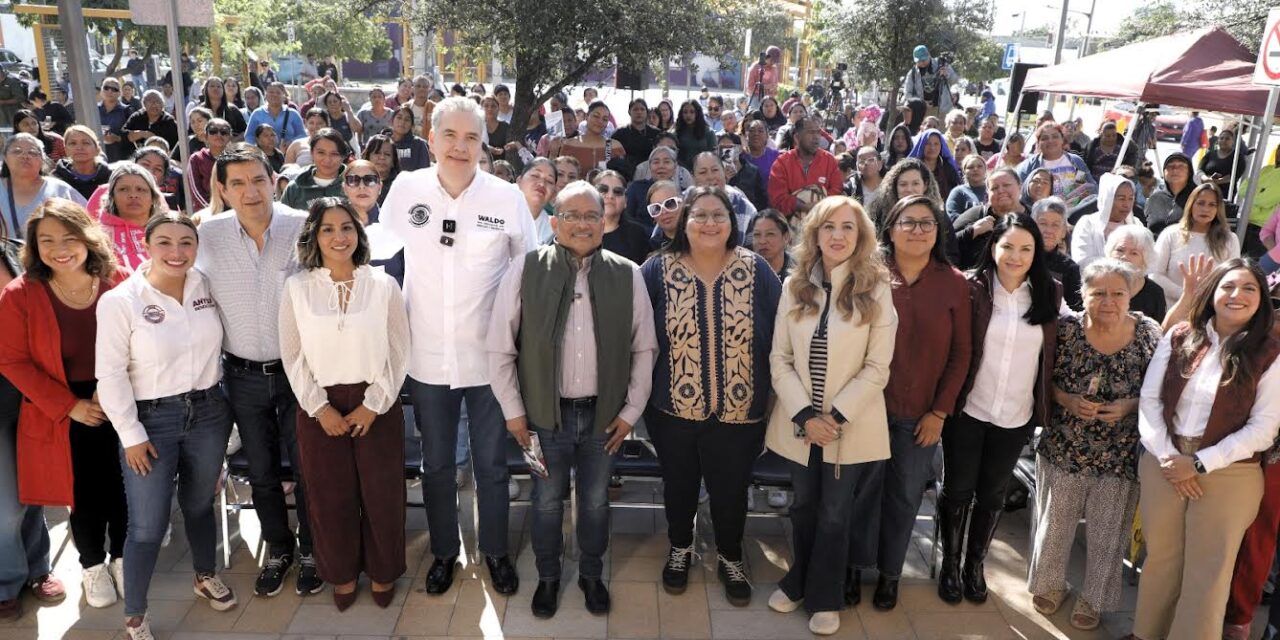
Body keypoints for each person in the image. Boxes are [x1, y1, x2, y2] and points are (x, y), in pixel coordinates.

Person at [381, 97, 536, 597]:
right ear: (432, 140)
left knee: (491, 465)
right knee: (438, 464)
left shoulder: (506, 198)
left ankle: (494, 550)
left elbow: (526, 273)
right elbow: (379, 258)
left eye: (471, 137)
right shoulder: (406, 189)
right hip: (426, 356)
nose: (460, 146)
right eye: (451, 136)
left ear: (482, 144)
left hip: (489, 359)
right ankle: (446, 551)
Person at [487, 180, 656, 618]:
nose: (581, 224)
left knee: (596, 501)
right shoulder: (526, 269)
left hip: (605, 418)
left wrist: (631, 410)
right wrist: (514, 413)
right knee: (545, 502)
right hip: (545, 418)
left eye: (590, 216)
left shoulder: (627, 273)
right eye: (572, 215)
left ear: (604, 221)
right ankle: (547, 577)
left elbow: (644, 348)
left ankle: (591, 575)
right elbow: (500, 346)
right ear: (555, 221)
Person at [95, 212, 238, 639]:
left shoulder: (205, 287)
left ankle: (203, 575)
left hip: (209, 412)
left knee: (198, 504)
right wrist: (131, 435)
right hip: (150, 420)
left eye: (186, 243)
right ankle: (135, 615)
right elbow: (111, 374)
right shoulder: (122, 301)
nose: (176, 252)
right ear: (146, 244)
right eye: (165, 242)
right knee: (147, 525)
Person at [641, 186, 782, 606]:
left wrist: (775, 399)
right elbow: (638, 339)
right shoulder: (656, 270)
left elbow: (780, 338)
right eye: (699, 215)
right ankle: (680, 548)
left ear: (731, 222)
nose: (708, 223)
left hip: (742, 409)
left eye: (718, 215)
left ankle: (730, 556)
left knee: (730, 490)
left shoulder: (756, 270)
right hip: (673, 408)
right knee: (679, 486)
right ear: (684, 223)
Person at [764, 195, 895, 635]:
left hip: (848, 426)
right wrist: (806, 416)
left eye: (847, 228)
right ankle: (799, 580)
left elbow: (878, 368)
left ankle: (824, 596)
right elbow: (779, 360)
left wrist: (833, 418)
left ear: (861, 237)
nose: (837, 236)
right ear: (814, 235)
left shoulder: (876, 288)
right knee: (803, 507)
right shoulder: (793, 285)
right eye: (828, 227)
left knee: (836, 513)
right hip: (802, 424)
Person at [1129, 259, 1280, 640]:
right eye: (1228, 285)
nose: (1237, 295)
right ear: (1212, 291)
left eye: (1249, 288)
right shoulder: (1181, 334)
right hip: (1165, 460)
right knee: (1162, 560)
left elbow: (1264, 428)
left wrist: (1198, 463)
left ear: (1262, 300)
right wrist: (1167, 456)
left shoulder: (1271, 354)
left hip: (1229, 473)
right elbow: (1149, 400)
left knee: (1207, 573)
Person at [196, 145, 321, 598]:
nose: (251, 191)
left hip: (299, 373)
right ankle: (279, 548)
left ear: (274, 180)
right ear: (223, 190)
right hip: (242, 375)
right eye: (238, 183)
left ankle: (312, 549)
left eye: (258, 179)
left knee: (308, 467)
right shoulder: (205, 234)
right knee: (263, 472)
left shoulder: (304, 225)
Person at [277, 197, 409, 611]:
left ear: (359, 233)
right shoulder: (297, 288)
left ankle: (384, 570)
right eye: (328, 229)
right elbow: (292, 354)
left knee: (382, 493)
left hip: (377, 402)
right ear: (314, 236)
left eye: (347, 227)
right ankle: (342, 572)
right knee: (330, 496)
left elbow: (398, 349)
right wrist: (320, 409)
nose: (339, 236)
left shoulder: (384, 284)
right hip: (320, 406)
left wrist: (374, 404)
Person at [0, 198, 127, 610]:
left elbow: (142, 340)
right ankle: (92, 565)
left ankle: (125, 558)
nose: (59, 248)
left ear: (88, 237)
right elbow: (11, 360)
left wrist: (110, 391)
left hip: (120, 397)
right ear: (34, 247)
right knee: (84, 492)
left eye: (69, 237)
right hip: (64, 408)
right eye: (46, 240)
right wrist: (69, 405)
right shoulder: (20, 295)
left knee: (126, 487)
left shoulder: (118, 279)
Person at [847, 195, 970, 611]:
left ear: (938, 232)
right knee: (862, 493)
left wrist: (939, 412)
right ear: (891, 228)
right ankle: (853, 567)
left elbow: (962, 354)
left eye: (927, 223)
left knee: (903, 497)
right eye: (908, 222)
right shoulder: (870, 274)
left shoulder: (954, 282)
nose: (918, 230)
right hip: (868, 409)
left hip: (921, 415)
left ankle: (890, 575)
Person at [1026, 258, 1159, 630]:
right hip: (1065, 445)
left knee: (1107, 531)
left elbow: (1161, 390)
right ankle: (1050, 585)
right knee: (1056, 525)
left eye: (1117, 293)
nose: (1108, 301)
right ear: (1082, 294)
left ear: (1131, 293)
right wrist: (1067, 400)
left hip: (1119, 452)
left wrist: (1130, 407)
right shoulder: (1065, 330)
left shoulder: (1149, 332)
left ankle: (1094, 598)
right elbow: (1041, 380)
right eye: (1098, 292)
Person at [938, 214, 1061, 605]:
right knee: (958, 489)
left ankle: (975, 566)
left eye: (1026, 248)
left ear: (1036, 253)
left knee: (992, 496)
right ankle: (950, 565)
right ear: (993, 248)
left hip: (1015, 415)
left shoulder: (1049, 293)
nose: (1016, 255)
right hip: (968, 409)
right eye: (1008, 246)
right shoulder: (971, 288)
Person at [0, 186, 66, 622]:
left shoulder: (18, 255)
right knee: (5, 499)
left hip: (28, 386)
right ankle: (8, 578)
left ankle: (37, 567)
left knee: (32, 483)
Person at [1148, 183, 1240, 310]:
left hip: (1210, 311)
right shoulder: (1171, 234)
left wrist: (1206, 298)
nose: (1205, 209)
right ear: (1191, 205)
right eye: (1201, 203)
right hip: (1172, 309)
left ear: (1218, 209)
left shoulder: (1230, 239)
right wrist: (1186, 294)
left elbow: (1233, 277)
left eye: (1212, 205)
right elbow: (1155, 274)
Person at [0, 134, 86, 240]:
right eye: (17, 151)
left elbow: (88, 225)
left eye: (32, 152)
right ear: (5, 158)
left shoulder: (61, 190)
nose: (25, 156)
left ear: (42, 159)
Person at [768, 116, 843, 229]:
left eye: (818, 132)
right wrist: (803, 207)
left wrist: (818, 206)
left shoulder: (829, 160)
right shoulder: (782, 163)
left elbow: (837, 191)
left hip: (823, 224)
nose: (816, 137)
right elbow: (778, 199)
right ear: (797, 138)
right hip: (789, 230)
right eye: (811, 132)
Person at [93, 163, 168, 273]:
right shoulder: (98, 237)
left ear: (153, 197)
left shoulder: (169, 231)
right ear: (112, 197)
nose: (133, 195)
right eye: (123, 189)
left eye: (140, 189)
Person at [952, 169, 1025, 270]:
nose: (1000, 190)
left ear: (1020, 186)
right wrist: (972, 231)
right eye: (994, 188)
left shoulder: (1035, 216)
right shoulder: (976, 214)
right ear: (988, 193)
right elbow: (946, 245)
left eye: (1006, 185)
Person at [1072, 173, 1141, 270]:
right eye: (1121, 199)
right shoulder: (1087, 223)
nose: (1127, 204)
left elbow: (1146, 261)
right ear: (1107, 199)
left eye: (1130, 199)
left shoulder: (1136, 225)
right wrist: (1120, 263)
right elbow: (1082, 261)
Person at [1104, 225, 1166, 322]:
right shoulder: (1095, 284)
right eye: (1120, 250)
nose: (1124, 257)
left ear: (1145, 260)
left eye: (1134, 253)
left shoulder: (1155, 293)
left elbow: (1157, 333)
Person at [1030, 197, 1083, 311]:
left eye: (1055, 225)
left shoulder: (1070, 268)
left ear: (1063, 232)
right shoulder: (1020, 257)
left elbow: (1074, 310)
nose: (1048, 230)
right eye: (1043, 223)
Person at [282, 129, 350, 210]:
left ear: (342, 156)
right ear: (311, 153)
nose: (327, 159)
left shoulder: (355, 185)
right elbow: (281, 220)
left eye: (334, 154)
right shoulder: (294, 189)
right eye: (321, 153)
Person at [691, 152, 757, 234]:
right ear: (693, 178)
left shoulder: (743, 206)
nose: (710, 177)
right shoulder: (683, 204)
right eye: (703, 172)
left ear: (724, 172)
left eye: (715, 170)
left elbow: (754, 243)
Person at [594, 170, 650, 265]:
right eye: (603, 189)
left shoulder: (638, 234)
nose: (610, 196)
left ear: (625, 202)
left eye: (618, 192)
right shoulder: (580, 230)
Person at [561, 101, 626, 175]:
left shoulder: (615, 146)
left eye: (604, 119)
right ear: (586, 117)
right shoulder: (570, 145)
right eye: (596, 116)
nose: (600, 121)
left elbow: (622, 177)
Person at [53, 126, 112, 201]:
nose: (79, 147)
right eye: (73, 143)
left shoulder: (112, 178)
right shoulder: (56, 179)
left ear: (97, 149)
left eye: (86, 143)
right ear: (65, 149)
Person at [186, 118, 233, 210]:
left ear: (230, 137)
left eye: (224, 132)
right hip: (208, 213)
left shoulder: (235, 159)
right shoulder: (196, 159)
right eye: (213, 131)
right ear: (206, 136)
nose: (219, 135)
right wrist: (213, 211)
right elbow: (196, 192)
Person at [1145, 152, 1196, 236]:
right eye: (1170, 166)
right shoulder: (1155, 198)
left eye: (1181, 166)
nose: (1175, 170)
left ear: (1189, 171)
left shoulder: (1198, 197)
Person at [901, 46, 959, 118]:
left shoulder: (941, 64)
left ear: (929, 55)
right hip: (922, 111)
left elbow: (955, 80)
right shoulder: (912, 73)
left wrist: (947, 74)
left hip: (942, 110)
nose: (922, 63)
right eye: (919, 61)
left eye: (923, 60)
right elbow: (907, 93)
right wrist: (921, 102)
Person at [245, 82, 306, 148]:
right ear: (266, 95)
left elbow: (302, 135)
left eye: (278, 92)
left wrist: (291, 142)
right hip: (264, 155)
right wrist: (256, 149)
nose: (274, 95)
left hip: (289, 154)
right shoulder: (257, 113)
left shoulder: (293, 114)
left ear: (284, 95)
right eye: (271, 92)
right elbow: (249, 136)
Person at [122, 91, 180, 158]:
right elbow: (122, 135)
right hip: (136, 158)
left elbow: (177, 146)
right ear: (144, 104)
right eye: (150, 101)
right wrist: (142, 134)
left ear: (162, 105)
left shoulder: (169, 121)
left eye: (157, 101)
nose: (154, 104)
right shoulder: (137, 117)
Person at [612, 98, 662, 175]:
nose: (639, 112)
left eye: (642, 109)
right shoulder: (619, 133)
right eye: (635, 109)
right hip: (625, 174)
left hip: (650, 174)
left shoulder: (656, 133)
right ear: (629, 112)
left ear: (646, 112)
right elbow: (607, 151)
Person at [517, 158, 558, 245]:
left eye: (549, 181)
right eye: (535, 176)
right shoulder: (495, 215)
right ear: (519, 181)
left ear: (553, 193)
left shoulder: (555, 230)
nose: (542, 184)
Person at [1197, 126, 1249, 194]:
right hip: (1206, 190)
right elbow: (1199, 169)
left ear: (1233, 141)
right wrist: (1206, 179)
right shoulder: (1210, 154)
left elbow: (1236, 175)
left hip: (1225, 193)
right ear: (1218, 140)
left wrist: (1217, 181)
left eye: (1227, 139)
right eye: (1221, 138)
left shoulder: (1238, 157)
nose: (1224, 140)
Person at [97, 78, 136, 163]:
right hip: (98, 158)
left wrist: (117, 138)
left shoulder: (126, 111)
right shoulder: (94, 109)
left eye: (114, 89)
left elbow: (134, 136)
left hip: (121, 158)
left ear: (119, 93)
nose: (110, 91)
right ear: (101, 90)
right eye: (106, 88)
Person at [749, 209, 795, 278]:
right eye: (757, 234)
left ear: (786, 237)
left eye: (770, 234)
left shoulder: (800, 272)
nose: (762, 241)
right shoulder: (743, 271)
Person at [674, 100, 717, 169]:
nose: (688, 115)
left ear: (697, 113)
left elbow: (714, 156)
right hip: (681, 171)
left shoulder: (709, 133)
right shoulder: (677, 132)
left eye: (692, 112)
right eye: (685, 112)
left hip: (703, 170)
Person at [389, 105, 431, 171]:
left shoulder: (419, 144)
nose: (402, 122)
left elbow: (424, 172)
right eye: (399, 118)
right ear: (391, 121)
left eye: (407, 120)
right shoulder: (383, 142)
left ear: (412, 125)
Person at [743, 118, 781, 192]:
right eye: (752, 131)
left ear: (767, 136)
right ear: (747, 136)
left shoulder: (776, 156)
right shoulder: (741, 158)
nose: (756, 134)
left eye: (760, 131)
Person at [361, 134, 399, 205]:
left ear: (393, 161)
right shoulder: (356, 183)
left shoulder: (400, 186)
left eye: (387, 154)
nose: (382, 157)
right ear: (368, 157)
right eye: (377, 153)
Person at [946, 154, 987, 219]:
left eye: (979, 166)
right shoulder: (958, 192)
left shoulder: (992, 190)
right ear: (964, 172)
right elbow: (952, 217)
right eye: (970, 167)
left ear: (985, 170)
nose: (975, 169)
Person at [745, 47, 782, 111]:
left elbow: (775, 85)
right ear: (767, 57)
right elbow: (749, 88)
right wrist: (765, 87)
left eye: (775, 61)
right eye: (772, 61)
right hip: (756, 99)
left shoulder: (774, 69)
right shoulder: (755, 67)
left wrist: (774, 89)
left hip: (770, 100)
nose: (773, 63)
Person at [847, 146, 883, 210]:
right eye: (861, 161)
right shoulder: (851, 188)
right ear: (857, 166)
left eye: (871, 160)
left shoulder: (890, 185)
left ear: (880, 164)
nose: (866, 163)